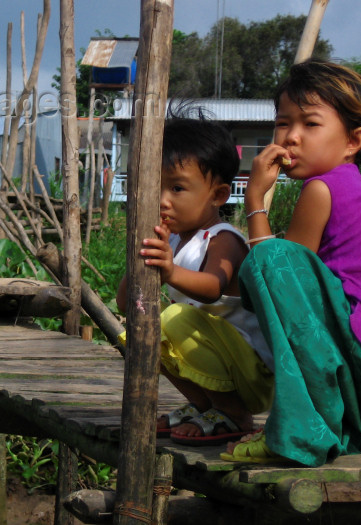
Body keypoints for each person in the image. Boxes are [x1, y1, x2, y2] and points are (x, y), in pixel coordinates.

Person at [221, 59, 361, 466]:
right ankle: (359, 433)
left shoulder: (323, 189)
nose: (291, 138)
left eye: (310, 124)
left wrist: (254, 199)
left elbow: (271, 280)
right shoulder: (350, 187)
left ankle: (299, 433)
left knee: (273, 258)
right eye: (282, 123)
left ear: (353, 141)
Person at [116, 115, 274, 446]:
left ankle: (234, 413)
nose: (162, 200)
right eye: (153, 186)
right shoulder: (172, 241)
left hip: (252, 373)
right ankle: (205, 405)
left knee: (174, 317)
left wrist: (170, 272)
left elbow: (213, 287)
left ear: (217, 195)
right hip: (220, 363)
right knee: (136, 334)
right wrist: (140, 261)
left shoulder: (223, 239)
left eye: (176, 188)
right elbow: (125, 303)